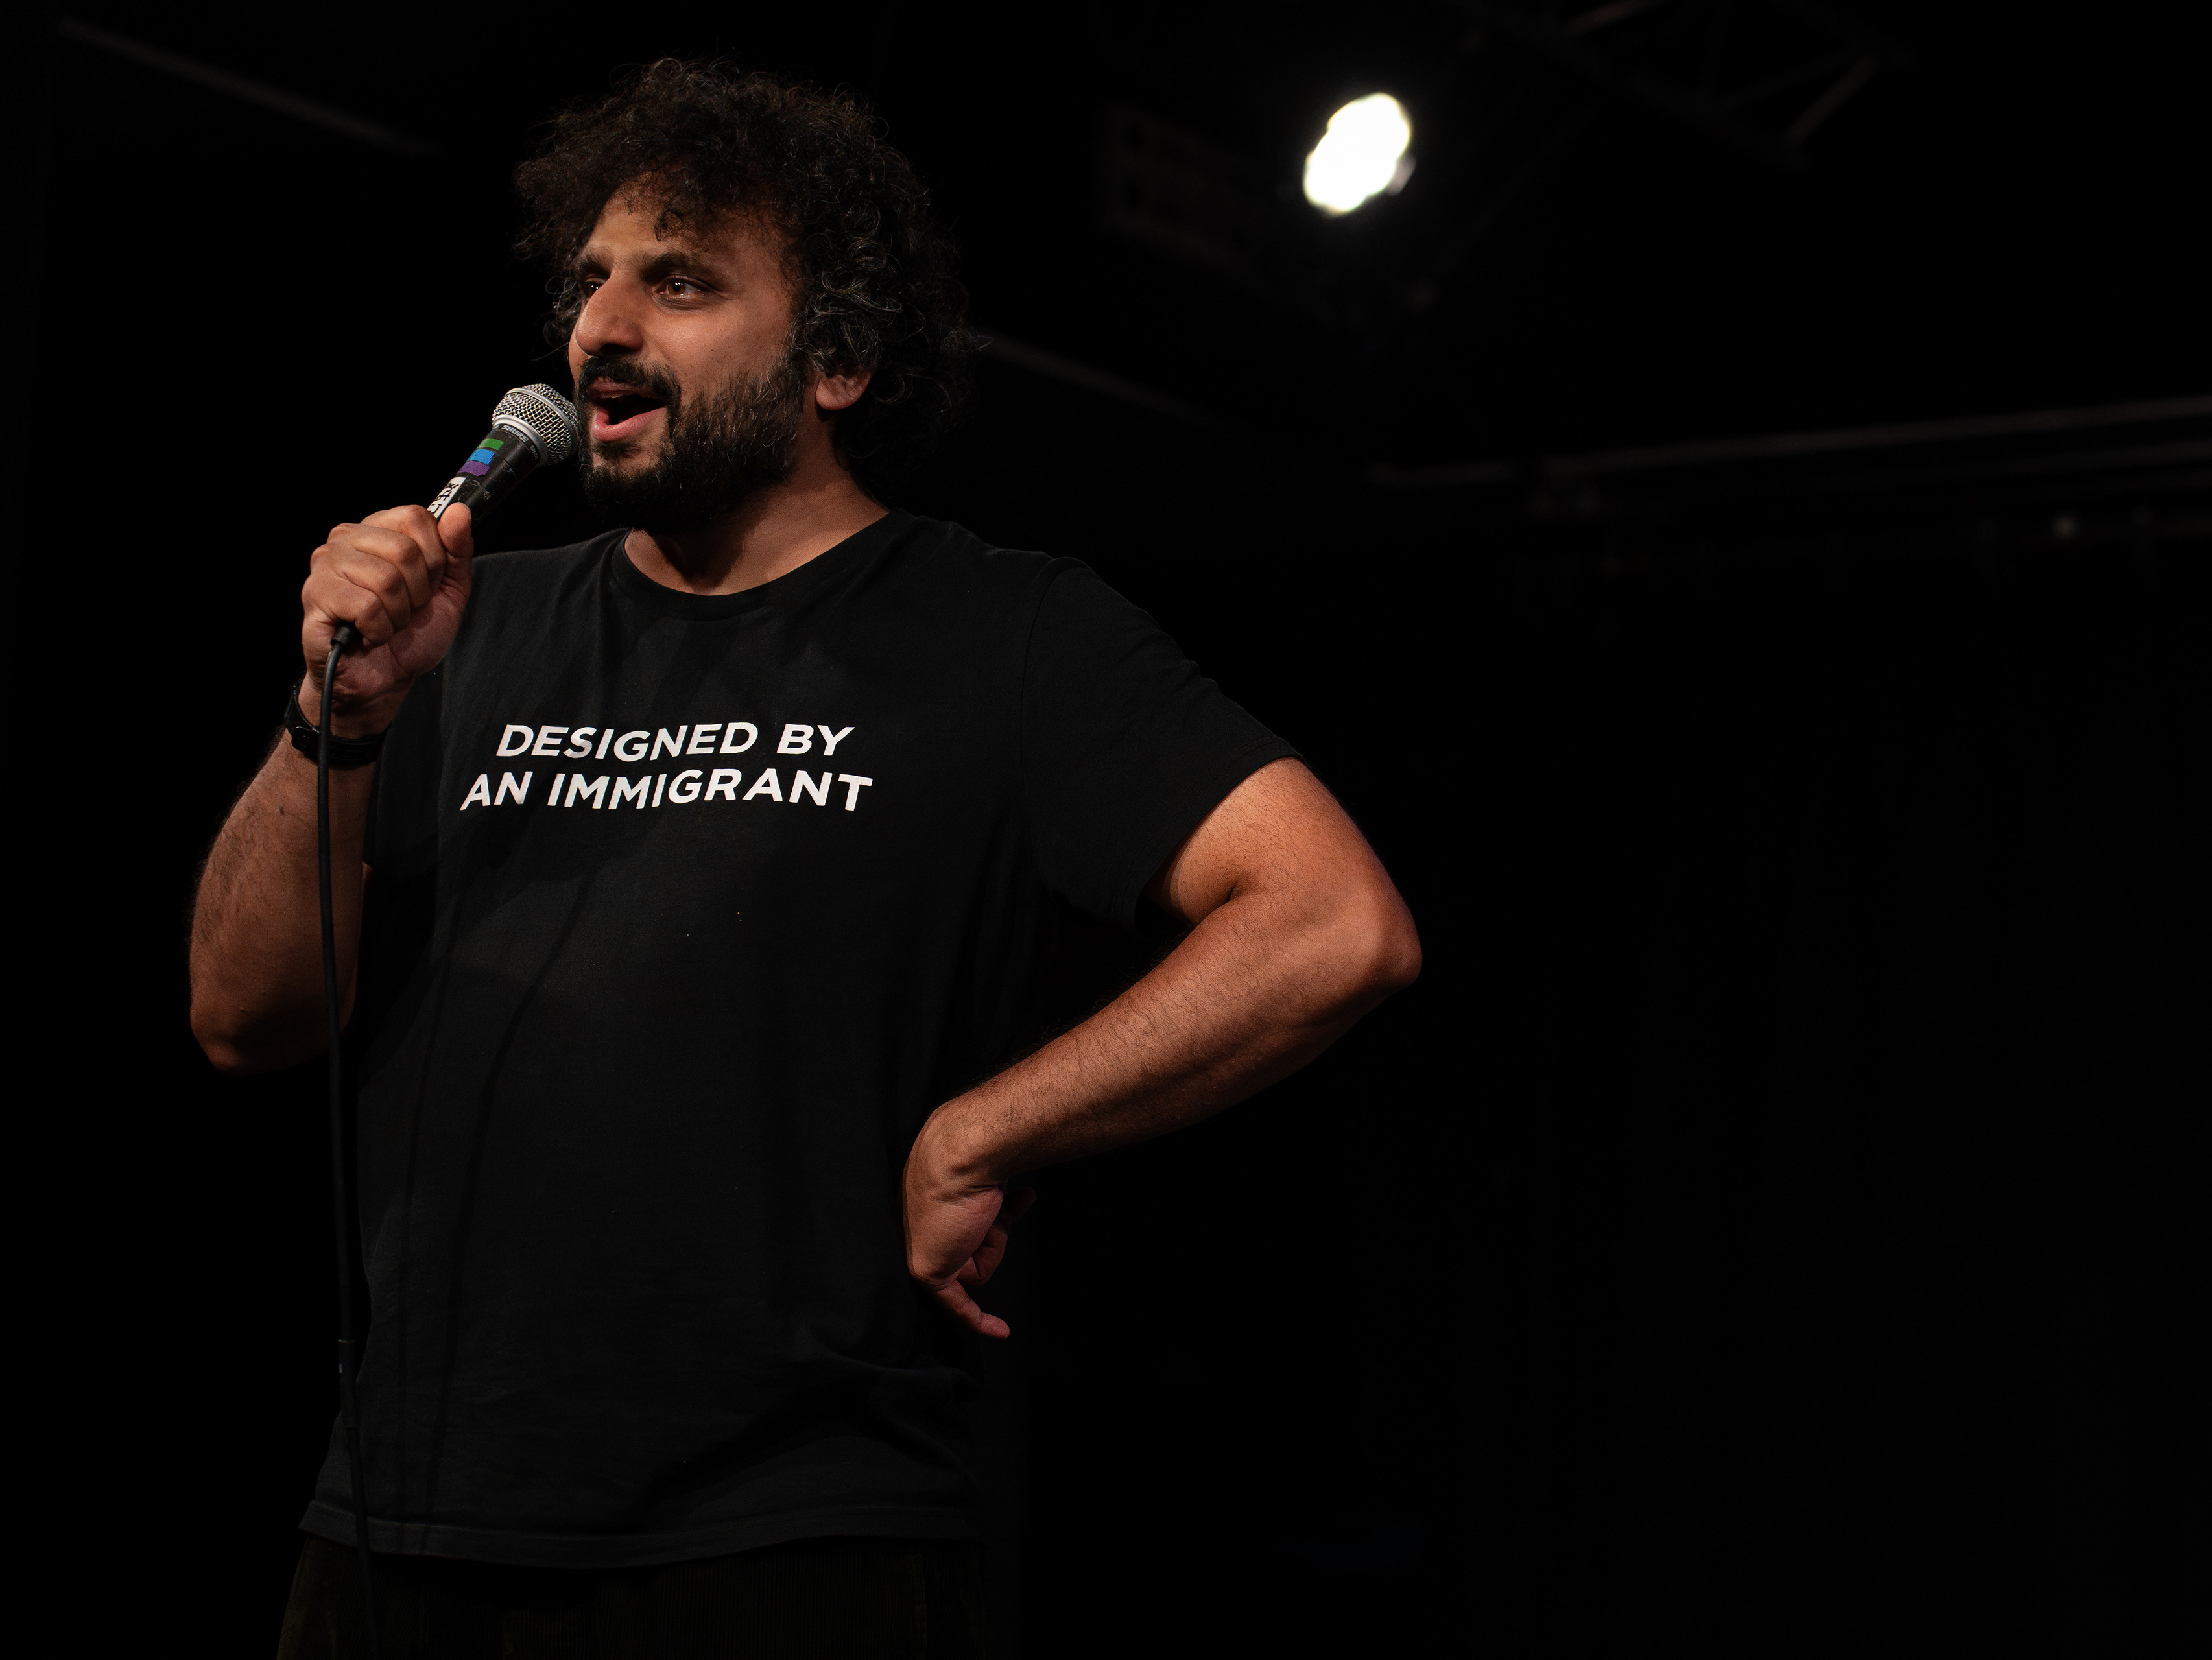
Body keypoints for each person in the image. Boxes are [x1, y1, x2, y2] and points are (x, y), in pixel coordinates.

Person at [187, 60, 1420, 1658]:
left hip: (787, 1534)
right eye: (592, 280)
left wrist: (987, 1128)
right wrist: (335, 721)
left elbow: (1331, 918)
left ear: (835, 359)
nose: (599, 327)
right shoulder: (467, 625)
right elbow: (243, 1014)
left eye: (680, 282)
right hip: (401, 1528)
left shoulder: (1000, 630)